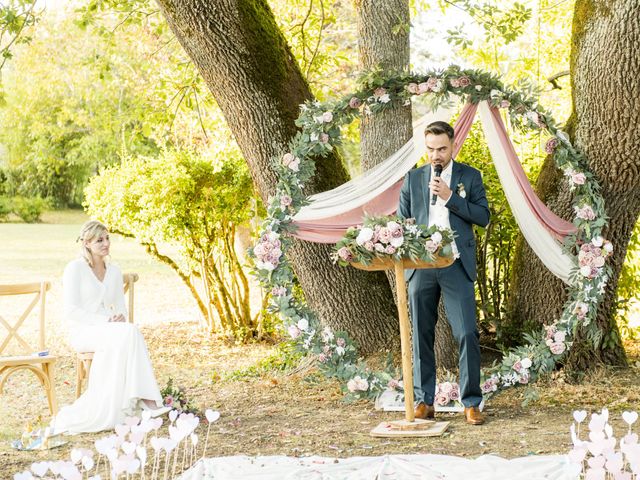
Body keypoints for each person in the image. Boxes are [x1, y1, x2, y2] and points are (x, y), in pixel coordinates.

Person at [398, 121, 490, 425]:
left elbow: (483, 217)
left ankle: (472, 402)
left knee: (466, 332)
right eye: (431, 149)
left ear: (453, 146)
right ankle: (424, 402)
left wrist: (452, 197)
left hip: (456, 264)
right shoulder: (413, 179)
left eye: (441, 149)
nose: (436, 155)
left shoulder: (470, 176)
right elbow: (402, 223)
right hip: (421, 267)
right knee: (421, 335)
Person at [53, 220, 169, 434]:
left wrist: (118, 318)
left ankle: (142, 400)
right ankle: (145, 400)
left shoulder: (114, 270)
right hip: (84, 331)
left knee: (130, 330)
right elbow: (71, 311)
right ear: (87, 243)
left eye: (107, 238)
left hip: (111, 329)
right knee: (129, 333)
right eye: (99, 240)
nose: (106, 243)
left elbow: (121, 308)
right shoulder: (75, 269)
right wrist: (106, 321)